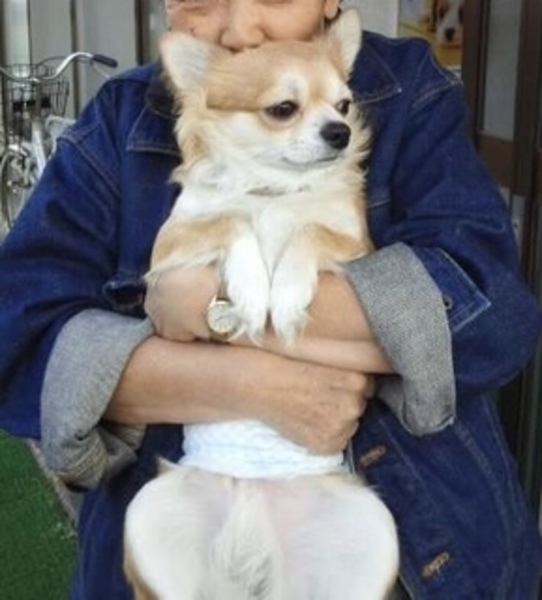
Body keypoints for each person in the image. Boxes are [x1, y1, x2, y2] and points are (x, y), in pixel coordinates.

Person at [0, 0, 541, 598]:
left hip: (410, 549)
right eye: (202, 0)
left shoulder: (407, 89)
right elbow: (16, 338)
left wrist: (206, 306)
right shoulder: (119, 120)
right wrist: (246, 384)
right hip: (187, 548)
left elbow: (493, 316)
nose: (242, 29)